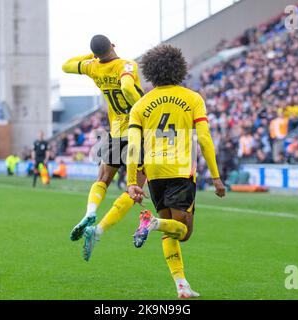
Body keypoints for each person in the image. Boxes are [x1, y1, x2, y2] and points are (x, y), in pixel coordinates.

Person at [126, 45, 226, 299]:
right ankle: (153, 223)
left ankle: (181, 285)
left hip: (155, 172)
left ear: (151, 72)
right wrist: (215, 176)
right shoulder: (193, 98)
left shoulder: (140, 105)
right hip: (181, 170)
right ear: (179, 67)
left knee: (170, 230)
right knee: (184, 233)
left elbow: (133, 146)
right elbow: (204, 140)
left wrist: (131, 182)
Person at [62, 35, 146, 261]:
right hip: (136, 132)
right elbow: (128, 87)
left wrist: (93, 57)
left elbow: (66, 65)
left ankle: (90, 212)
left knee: (102, 179)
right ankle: (98, 231)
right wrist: (143, 106)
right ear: (113, 46)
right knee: (135, 188)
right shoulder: (126, 65)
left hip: (115, 132)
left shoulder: (93, 68)